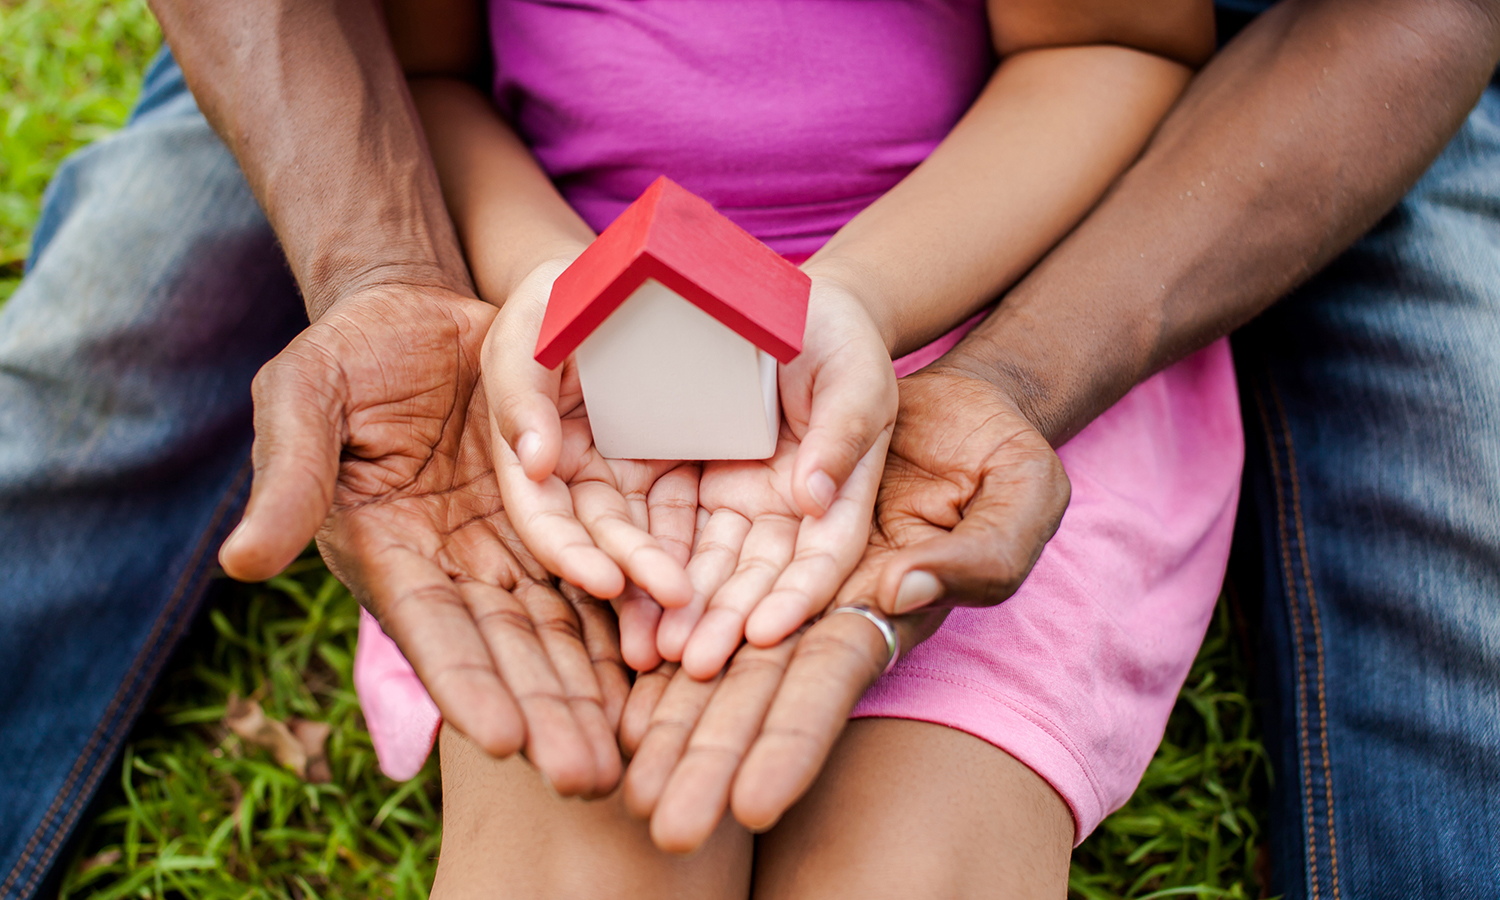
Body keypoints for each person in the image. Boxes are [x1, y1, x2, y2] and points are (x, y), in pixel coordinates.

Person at [0, 0, 1493, 898]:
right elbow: (430, 76)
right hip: (575, 320)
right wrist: (544, 303)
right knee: (578, 837)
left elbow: (1110, 47)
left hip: (962, 283)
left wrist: (860, 313)